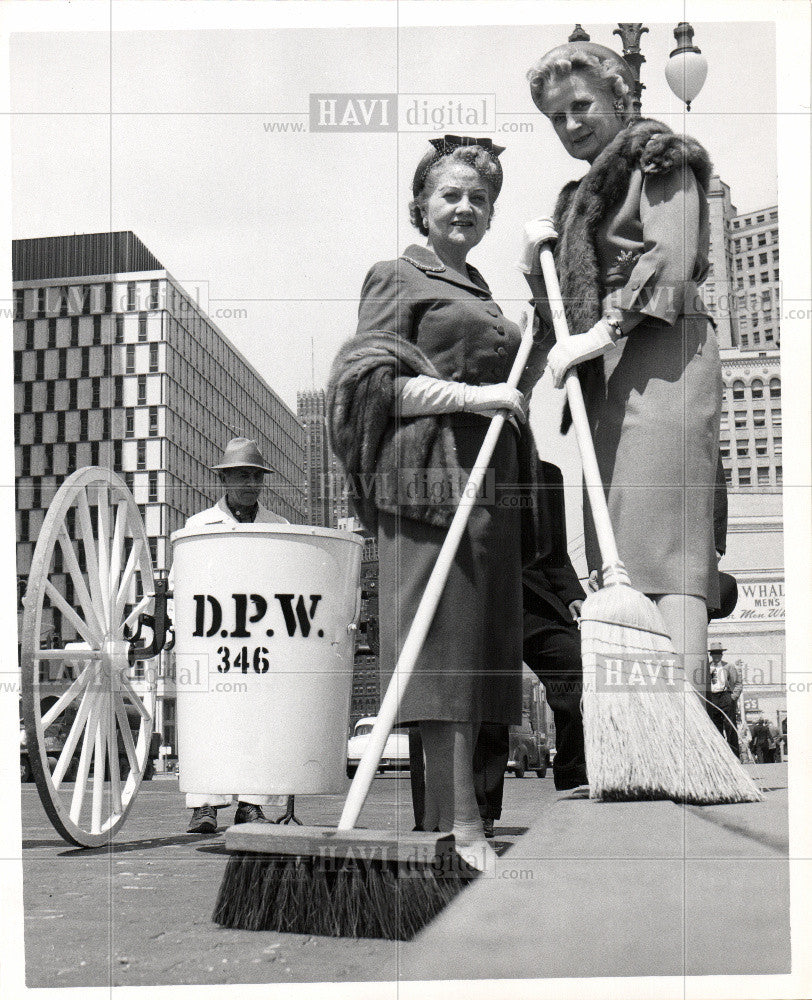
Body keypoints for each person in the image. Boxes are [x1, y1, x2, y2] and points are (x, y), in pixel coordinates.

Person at [327, 136, 543, 870]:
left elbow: (521, 378)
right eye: (451, 194)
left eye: (479, 198)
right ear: (421, 204)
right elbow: (367, 380)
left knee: (482, 654)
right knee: (440, 653)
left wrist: (535, 295)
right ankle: (465, 828)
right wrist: (474, 395)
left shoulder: (484, 294)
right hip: (426, 485)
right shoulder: (397, 275)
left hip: (489, 488)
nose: (465, 206)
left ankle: (449, 823)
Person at [521, 42, 721, 697]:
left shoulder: (662, 158)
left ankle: (685, 732)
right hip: (603, 390)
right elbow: (555, 312)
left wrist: (605, 328)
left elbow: (672, 257)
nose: (570, 124)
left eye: (580, 105)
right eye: (555, 117)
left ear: (618, 96)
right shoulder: (578, 199)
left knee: (669, 554)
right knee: (619, 563)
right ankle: (644, 736)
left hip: (665, 364)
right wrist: (534, 263)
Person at [410, 460, 587, 839]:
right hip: (482, 595)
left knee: (574, 670)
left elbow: (555, 553)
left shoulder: (548, 476)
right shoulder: (464, 467)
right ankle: (481, 809)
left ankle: (575, 783)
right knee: (488, 704)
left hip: (536, 600)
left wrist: (574, 596)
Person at [180, 437, 290, 834]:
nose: (249, 483)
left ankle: (252, 804)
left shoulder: (281, 529)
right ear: (224, 479)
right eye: (240, 475)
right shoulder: (197, 527)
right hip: (213, 634)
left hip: (262, 636)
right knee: (209, 716)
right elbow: (183, 585)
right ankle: (205, 806)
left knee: (262, 718)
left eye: (255, 476)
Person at [707, 640, 742, 756]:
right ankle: (720, 755)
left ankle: (734, 754)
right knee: (715, 726)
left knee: (730, 725)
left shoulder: (728, 666)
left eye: (719, 653)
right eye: (714, 653)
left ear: (722, 655)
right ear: (711, 655)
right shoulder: (707, 667)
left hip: (725, 696)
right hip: (712, 697)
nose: (716, 656)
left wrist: (732, 697)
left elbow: (738, 683)